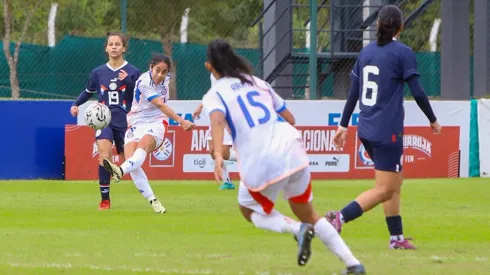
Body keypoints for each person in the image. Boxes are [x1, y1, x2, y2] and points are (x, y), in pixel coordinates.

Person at [202, 39, 365, 274]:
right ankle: (353, 264)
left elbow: (217, 119)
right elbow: (290, 117)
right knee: (309, 213)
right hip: (292, 148)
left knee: (248, 210)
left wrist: (218, 154)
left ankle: (297, 230)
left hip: (261, 158)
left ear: (210, 67)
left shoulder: (214, 94)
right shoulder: (259, 83)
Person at [325, 5, 441, 250]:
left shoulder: (365, 53)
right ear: (401, 27)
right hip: (387, 130)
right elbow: (418, 91)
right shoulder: (402, 52)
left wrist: (343, 125)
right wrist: (432, 118)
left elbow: (353, 92)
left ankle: (396, 238)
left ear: (377, 26)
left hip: (366, 129)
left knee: (394, 182)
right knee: (385, 188)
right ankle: (339, 218)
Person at [102, 53, 195, 214]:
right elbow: (160, 104)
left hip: (157, 121)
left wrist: (178, 120)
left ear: (168, 73)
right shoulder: (144, 82)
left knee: (142, 147)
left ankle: (119, 171)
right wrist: (181, 120)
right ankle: (153, 200)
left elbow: (161, 109)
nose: (159, 75)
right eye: (157, 70)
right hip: (136, 122)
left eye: (164, 72)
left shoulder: (166, 79)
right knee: (133, 162)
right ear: (150, 68)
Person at [70, 32, 140, 210]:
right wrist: (76, 104)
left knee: (130, 160)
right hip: (104, 120)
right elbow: (88, 91)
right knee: (104, 155)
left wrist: (129, 82)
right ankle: (105, 200)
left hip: (126, 121)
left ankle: (126, 176)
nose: (114, 47)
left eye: (118, 44)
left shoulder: (133, 71)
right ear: (106, 48)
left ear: (124, 48)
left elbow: (138, 97)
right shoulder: (98, 72)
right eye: (111, 44)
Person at [193, 74, 236, 190]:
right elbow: (213, 91)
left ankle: (251, 157)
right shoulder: (214, 71)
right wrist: (201, 106)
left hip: (226, 115)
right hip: (215, 114)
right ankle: (227, 181)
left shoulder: (229, 71)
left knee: (223, 153)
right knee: (212, 151)